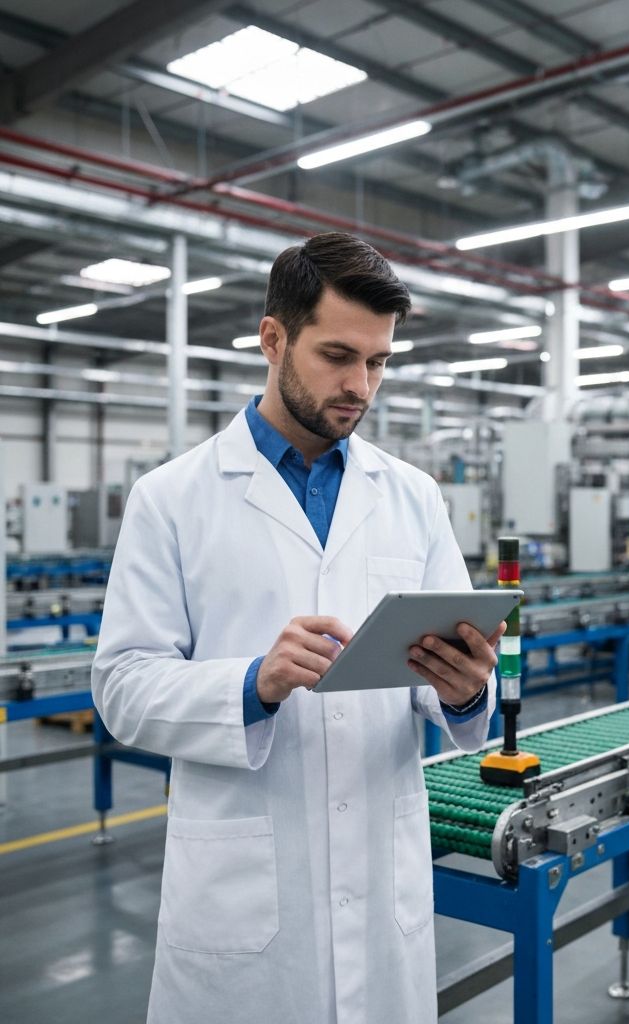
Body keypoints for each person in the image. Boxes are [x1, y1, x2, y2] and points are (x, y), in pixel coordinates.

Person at [92, 232, 499, 1024]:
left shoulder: (412, 496)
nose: (360, 386)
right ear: (272, 338)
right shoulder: (173, 498)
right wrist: (252, 683)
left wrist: (462, 691)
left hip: (382, 879)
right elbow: (121, 685)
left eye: (378, 362)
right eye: (338, 355)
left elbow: (462, 666)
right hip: (243, 894)